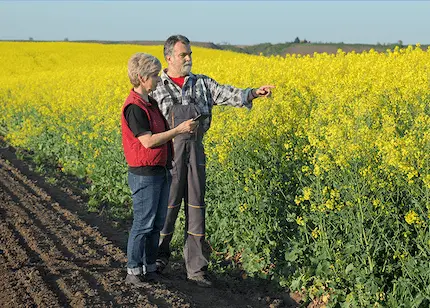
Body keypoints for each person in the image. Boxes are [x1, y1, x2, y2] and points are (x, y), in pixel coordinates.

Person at [150, 35, 274, 287]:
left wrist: (253, 93)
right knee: (167, 208)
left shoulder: (202, 83)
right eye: (183, 55)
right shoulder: (156, 87)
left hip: (196, 152)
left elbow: (228, 93)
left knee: (196, 209)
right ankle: (158, 257)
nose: (188, 59)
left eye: (190, 54)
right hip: (169, 154)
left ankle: (196, 268)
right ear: (169, 58)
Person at [121, 52, 198, 286]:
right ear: (142, 78)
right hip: (144, 174)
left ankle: (150, 267)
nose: (158, 79)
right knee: (143, 224)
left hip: (160, 170)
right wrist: (179, 130)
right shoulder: (134, 107)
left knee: (156, 224)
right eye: (154, 75)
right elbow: (148, 141)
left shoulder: (150, 103)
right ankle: (133, 271)